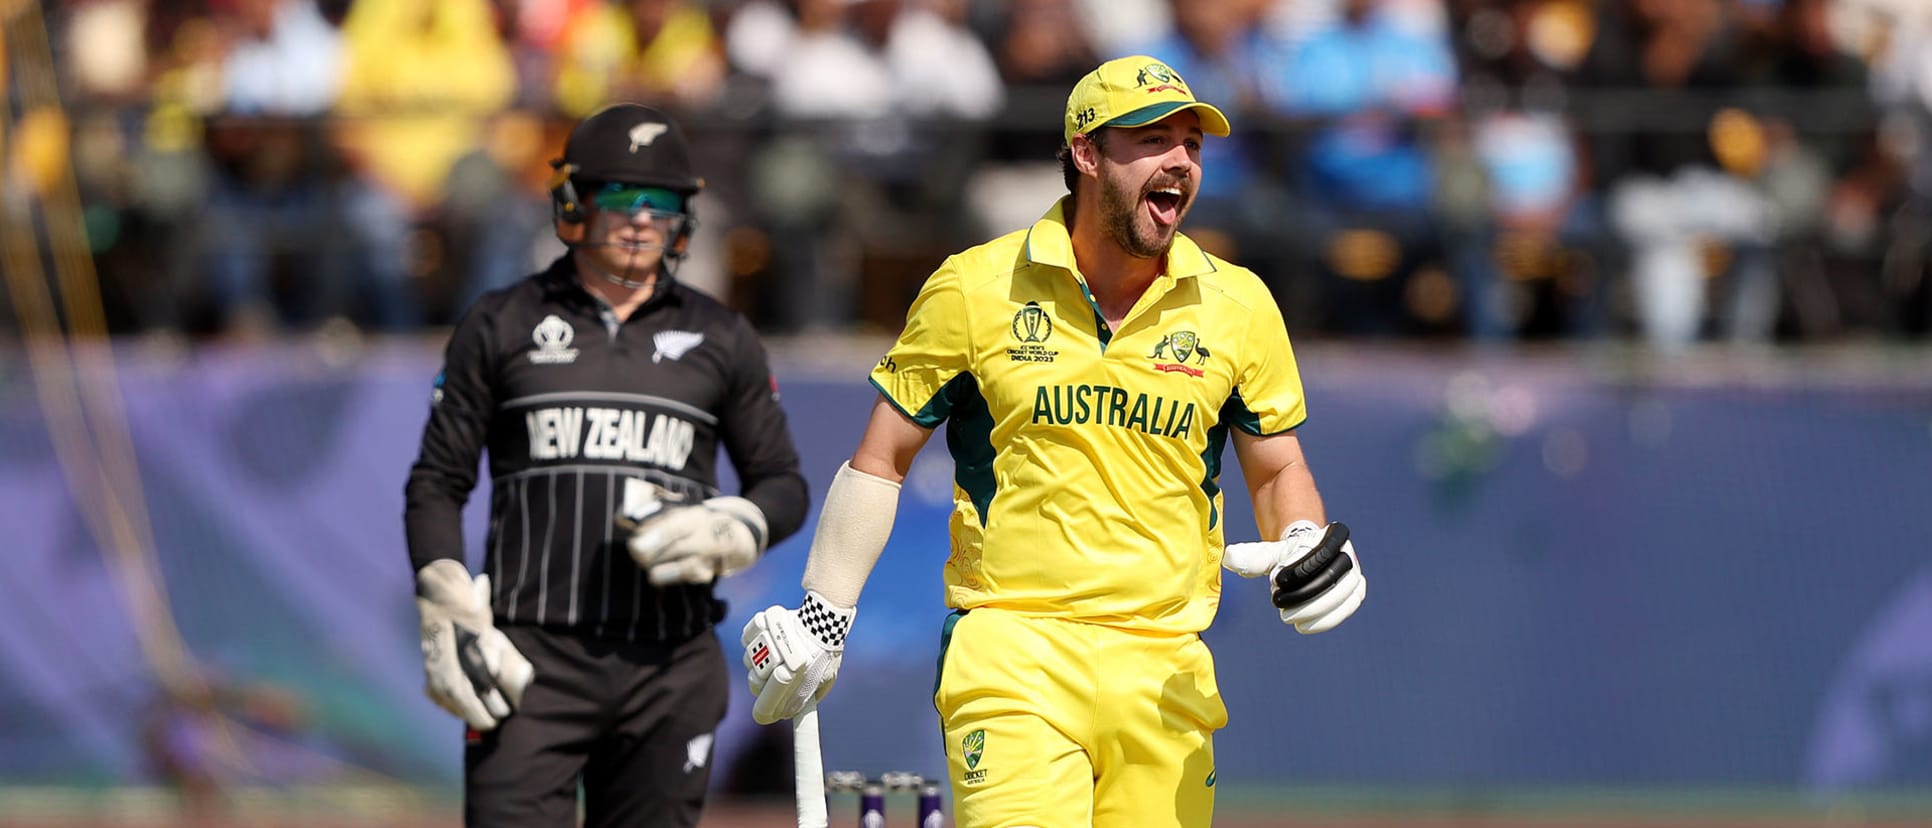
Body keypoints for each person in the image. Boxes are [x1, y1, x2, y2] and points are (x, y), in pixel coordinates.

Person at [737, 57, 1368, 827]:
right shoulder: (974, 286)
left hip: (1168, 667)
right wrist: (823, 619)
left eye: (1192, 145)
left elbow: (1277, 470)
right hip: (1011, 652)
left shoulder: (1239, 303)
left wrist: (1302, 535)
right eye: (1152, 139)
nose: (1179, 161)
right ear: (1086, 153)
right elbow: (881, 459)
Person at [403, 102, 809, 827]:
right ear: (574, 205)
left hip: (670, 665)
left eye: (660, 202)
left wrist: (737, 524)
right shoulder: (499, 323)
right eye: (619, 198)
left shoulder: (723, 336)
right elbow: (438, 480)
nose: (640, 220)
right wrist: (443, 594)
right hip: (530, 661)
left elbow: (782, 483)